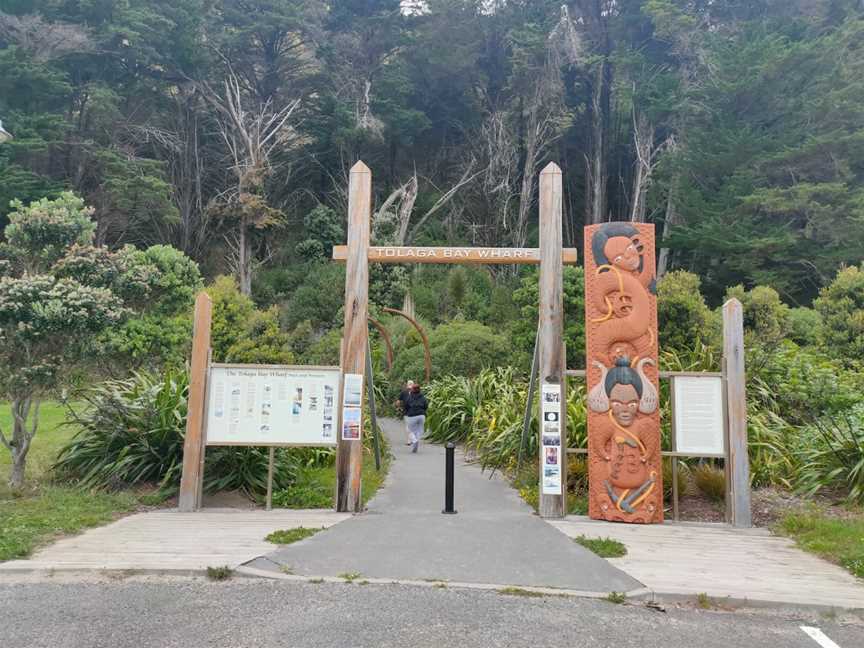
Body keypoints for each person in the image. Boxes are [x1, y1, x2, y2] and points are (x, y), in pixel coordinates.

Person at [403, 383, 428, 454]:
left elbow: (406, 406)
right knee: (419, 430)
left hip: (412, 415)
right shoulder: (423, 397)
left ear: (413, 390)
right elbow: (426, 405)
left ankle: (414, 441)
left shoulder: (409, 397)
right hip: (421, 415)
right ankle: (415, 447)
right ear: (419, 389)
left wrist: (407, 412)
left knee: (409, 430)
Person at [395, 380, 415, 444]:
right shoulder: (404, 392)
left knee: (409, 426)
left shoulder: (415, 392)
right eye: (409, 385)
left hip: (413, 412)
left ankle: (411, 439)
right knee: (409, 426)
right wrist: (398, 407)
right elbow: (398, 401)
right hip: (408, 412)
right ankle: (410, 440)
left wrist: (398, 406)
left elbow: (398, 401)